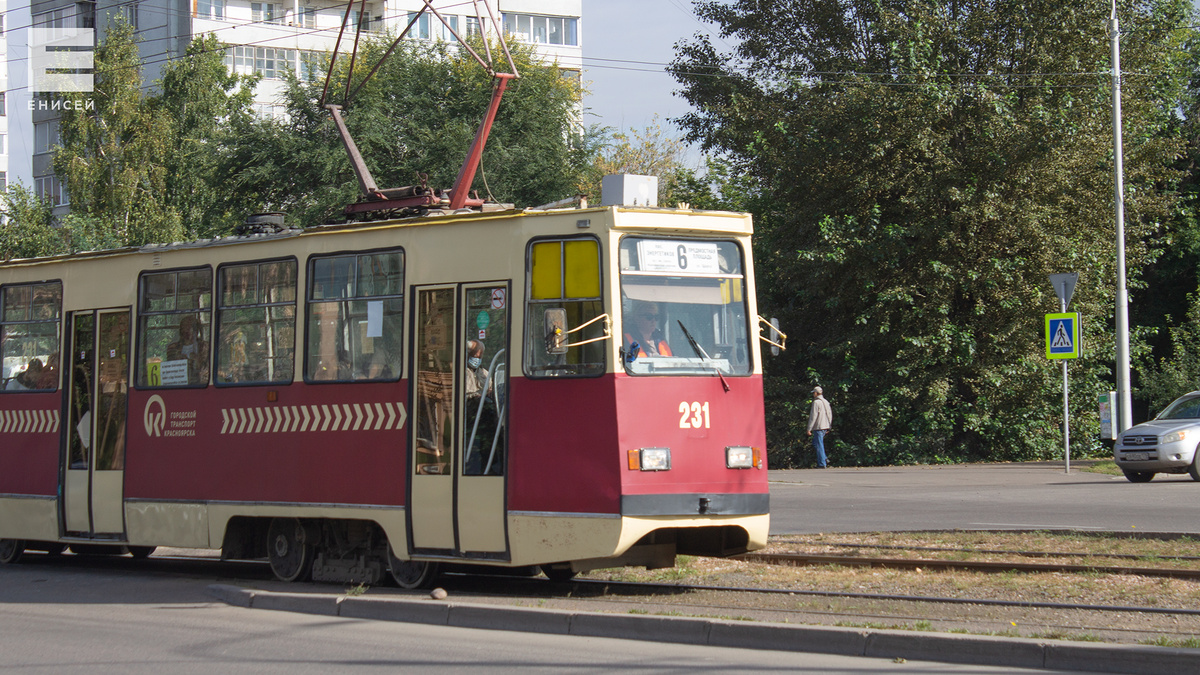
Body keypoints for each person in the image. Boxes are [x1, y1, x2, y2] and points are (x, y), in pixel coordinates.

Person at [166, 315, 209, 384]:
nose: (186, 330)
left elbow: (206, 369)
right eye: (183, 327)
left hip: (199, 384)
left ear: (196, 330)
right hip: (178, 383)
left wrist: (195, 361)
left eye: (189, 327)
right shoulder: (172, 348)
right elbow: (169, 369)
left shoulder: (205, 346)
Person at [807, 386, 833, 468]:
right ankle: (824, 458)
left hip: (818, 426)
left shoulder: (816, 403)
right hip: (825, 425)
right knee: (817, 443)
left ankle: (822, 463)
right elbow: (830, 414)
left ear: (816, 393)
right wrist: (829, 426)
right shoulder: (826, 402)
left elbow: (813, 416)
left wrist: (809, 428)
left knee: (818, 444)